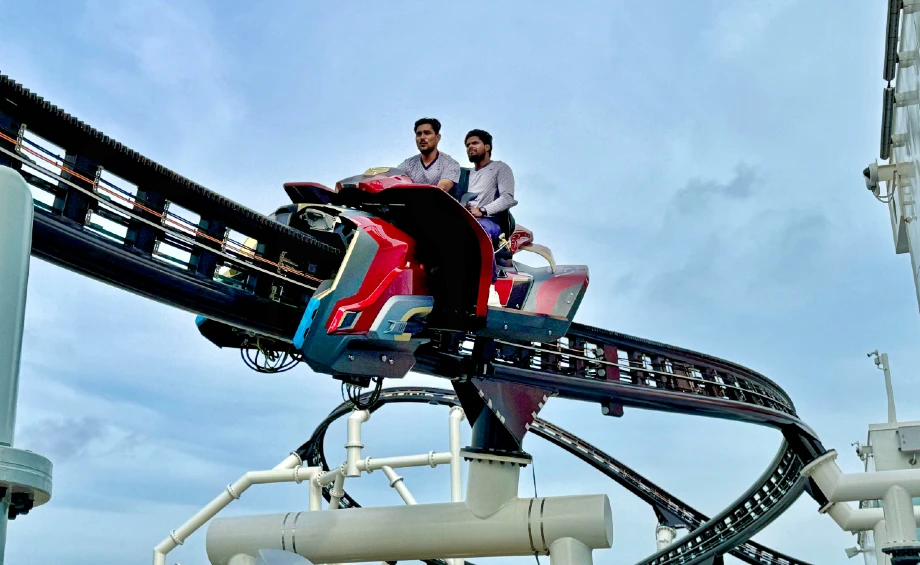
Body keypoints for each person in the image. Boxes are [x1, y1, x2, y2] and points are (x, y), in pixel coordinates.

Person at [464, 129, 516, 304]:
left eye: (474, 143)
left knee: (478, 232)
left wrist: (483, 210)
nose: (470, 147)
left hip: (489, 220)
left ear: (487, 147)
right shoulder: (464, 175)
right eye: (468, 145)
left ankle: (490, 288)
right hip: (463, 219)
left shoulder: (500, 168)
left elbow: (507, 198)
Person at [397, 118, 461, 192]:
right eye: (418, 134)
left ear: (438, 138)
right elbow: (394, 178)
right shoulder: (408, 164)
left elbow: (441, 189)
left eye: (427, 133)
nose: (422, 137)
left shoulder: (450, 163)